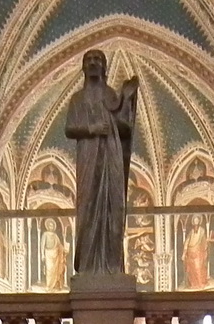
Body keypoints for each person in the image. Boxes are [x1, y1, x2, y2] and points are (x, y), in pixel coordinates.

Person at [64, 49, 139, 277]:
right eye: (89, 60)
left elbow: (124, 126)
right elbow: (69, 129)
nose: (94, 63)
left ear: (104, 67)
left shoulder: (111, 96)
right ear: (83, 67)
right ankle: (88, 264)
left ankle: (110, 263)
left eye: (98, 60)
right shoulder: (77, 99)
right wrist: (91, 129)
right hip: (88, 156)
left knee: (111, 205)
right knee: (87, 206)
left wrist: (127, 99)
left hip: (110, 156)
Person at [181, 213, 213, 289]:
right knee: (191, 270)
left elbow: (204, 241)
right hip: (190, 252)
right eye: (195, 220)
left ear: (199, 221)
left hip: (198, 252)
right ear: (193, 221)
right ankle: (194, 284)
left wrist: (207, 242)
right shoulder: (191, 231)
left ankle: (200, 283)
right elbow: (187, 241)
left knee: (198, 267)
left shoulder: (202, 231)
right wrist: (184, 253)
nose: (196, 221)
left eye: (197, 220)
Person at [40, 217, 69, 290]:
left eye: (52, 225)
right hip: (48, 253)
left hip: (55, 254)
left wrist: (65, 249)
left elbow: (59, 245)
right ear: (47, 226)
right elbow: (42, 245)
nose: (51, 227)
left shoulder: (55, 236)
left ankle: (55, 285)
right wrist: (42, 254)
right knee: (49, 269)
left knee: (55, 270)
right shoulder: (45, 234)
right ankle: (48, 285)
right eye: (49, 225)